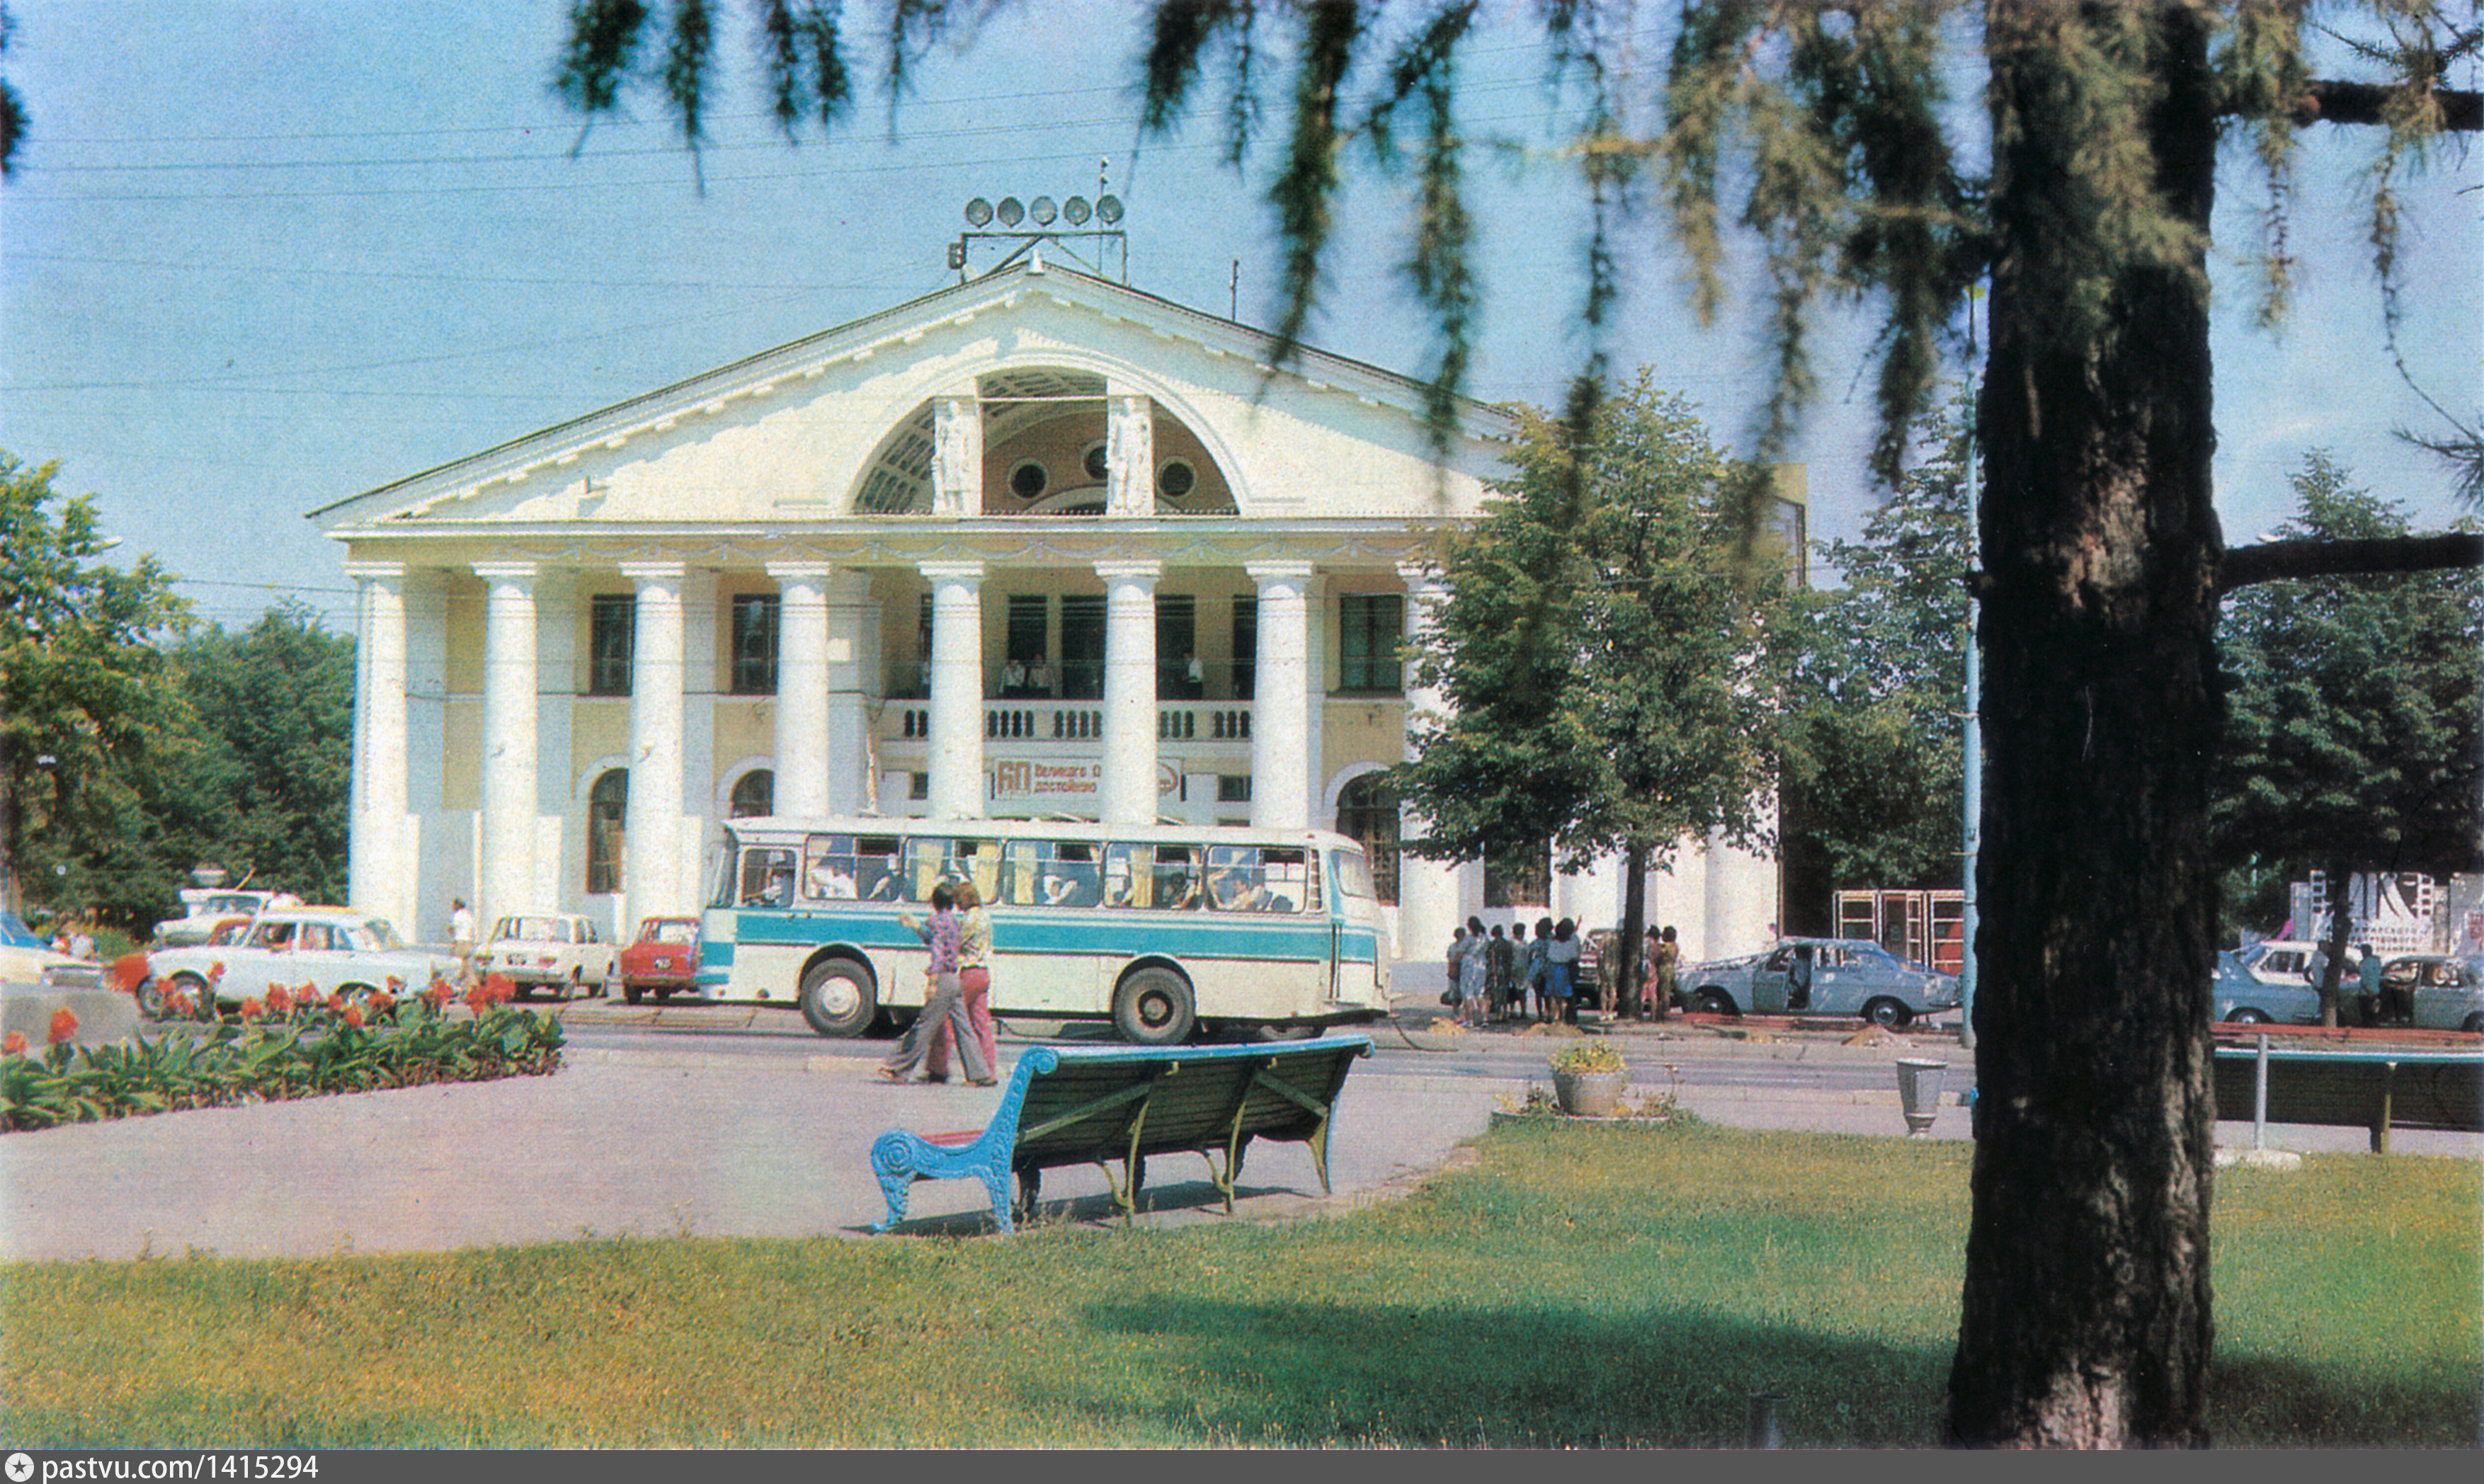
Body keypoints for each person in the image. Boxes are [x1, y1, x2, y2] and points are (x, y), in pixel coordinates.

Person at [879, 884, 993, 1086]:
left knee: (924, 1025)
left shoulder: (937, 921)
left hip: (943, 979)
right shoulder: (954, 922)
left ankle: (898, 1068)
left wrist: (932, 980)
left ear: (935, 902)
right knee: (964, 1028)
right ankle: (980, 1074)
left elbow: (938, 952)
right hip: (955, 980)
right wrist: (916, 927)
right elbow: (937, 942)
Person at [929, 879, 1000, 1084]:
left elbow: (955, 943)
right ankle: (989, 1071)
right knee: (982, 1025)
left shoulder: (969, 920)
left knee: (947, 1020)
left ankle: (938, 1068)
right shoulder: (985, 916)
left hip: (968, 973)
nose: (956, 903)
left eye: (957, 899)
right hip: (983, 973)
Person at [1457, 915, 1490, 1028]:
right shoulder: (1484, 938)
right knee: (1480, 993)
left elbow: (1460, 953)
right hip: (1481, 965)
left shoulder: (1468, 939)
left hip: (1469, 967)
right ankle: (1484, 1018)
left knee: (1468, 993)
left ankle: (1469, 1020)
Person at [1546, 918, 1580, 1023]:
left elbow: (1549, 956)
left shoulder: (1553, 943)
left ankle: (1552, 1017)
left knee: (1553, 996)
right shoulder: (1570, 944)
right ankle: (1562, 1018)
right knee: (1563, 997)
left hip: (1552, 969)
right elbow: (1574, 957)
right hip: (1564, 969)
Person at [1486, 923, 1516, 1024]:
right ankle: (1505, 1012)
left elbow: (1489, 959)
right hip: (1506, 970)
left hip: (1495, 971)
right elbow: (1511, 958)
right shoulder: (1507, 944)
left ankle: (1498, 1014)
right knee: (1505, 992)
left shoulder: (1492, 945)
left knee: (1496, 993)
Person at [1649, 925, 1680, 1022]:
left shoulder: (1664, 947)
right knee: (1667, 992)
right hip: (1671, 969)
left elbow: (1657, 958)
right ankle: (1666, 1013)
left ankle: (1661, 1014)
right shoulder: (1676, 946)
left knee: (1662, 993)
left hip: (1663, 969)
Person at [1529, 916, 1554, 1022]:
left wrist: (1530, 964)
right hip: (1548, 967)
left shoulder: (1536, 942)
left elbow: (1529, 953)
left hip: (1537, 967)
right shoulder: (1552, 940)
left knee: (1538, 994)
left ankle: (1540, 1015)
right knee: (1548, 994)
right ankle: (1548, 1013)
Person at [449, 898, 477, 988]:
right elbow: (472, 928)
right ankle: (472, 986)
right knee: (468, 968)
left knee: (456, 966)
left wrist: (451, 934)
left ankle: (456, 987)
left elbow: (453, 928)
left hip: (460, 942)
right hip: (468, 942)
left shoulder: (456, 915)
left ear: (457, 905)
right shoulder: (469, 915)